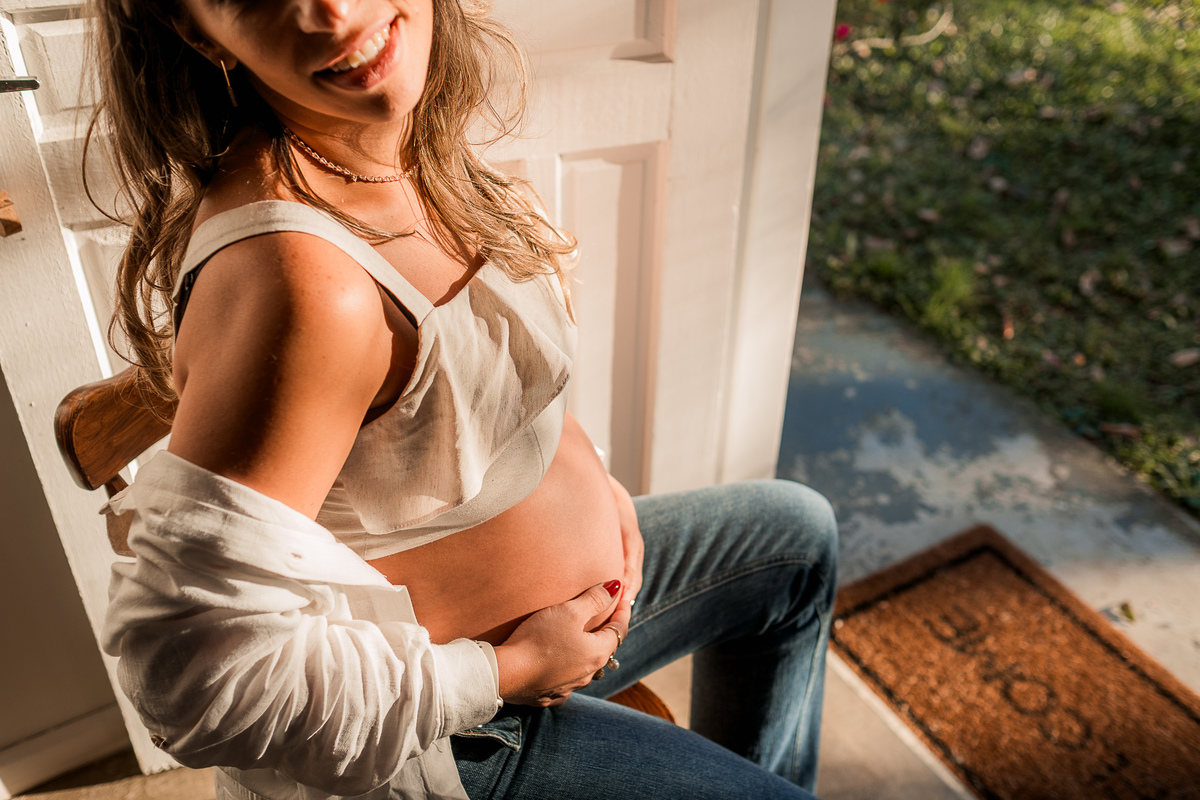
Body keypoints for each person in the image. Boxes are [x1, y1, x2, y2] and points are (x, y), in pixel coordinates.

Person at [90, 0, 839, 798]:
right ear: (195, 27)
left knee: (795, 543)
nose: (334, 11)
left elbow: (474, 390)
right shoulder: (307, 286)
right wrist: (507, 669)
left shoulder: (386, 142)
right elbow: (193, 684)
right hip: (462, 736)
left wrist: (592, 486)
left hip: (554, 630)